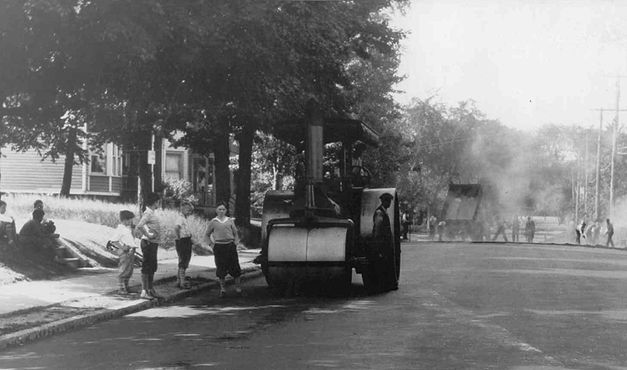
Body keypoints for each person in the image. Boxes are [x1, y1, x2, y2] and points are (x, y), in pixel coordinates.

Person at [207, 202, 242, 297]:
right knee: (221, 268)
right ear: (216, 211)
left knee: (235, 267)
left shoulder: (230, 221)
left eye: (223, 209)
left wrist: (235, 242)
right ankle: (223, 289)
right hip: (219, 247)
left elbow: (235, 233)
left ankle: (238, 287)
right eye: (219, 209)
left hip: (230, 246)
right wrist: (211, 245)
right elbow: (207, 235)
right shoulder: (213, 222)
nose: (221, 211)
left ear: (226, 211)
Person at [136, 193, 162, 300]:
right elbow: (140, 225)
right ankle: (144, 291)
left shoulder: (152, 213)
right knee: (147, 266)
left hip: (153, 243)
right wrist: (148, 235)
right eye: (158, 202)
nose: (159, 204)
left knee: (152, 266)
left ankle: (151, 289)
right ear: (154, 202)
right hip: (148, 243)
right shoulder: (148, 213)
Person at [372, 192, 397, 290]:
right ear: (384, 201)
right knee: (383, 264)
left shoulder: (383, 211)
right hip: (382, 243)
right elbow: (378, 228)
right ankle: (383, 285)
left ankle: (387, 284)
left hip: (384, 243)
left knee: (386, 264)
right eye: (388, 201)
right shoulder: (380, 212)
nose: (390, 203)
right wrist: (378, 245)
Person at [109, 210, 138, 295]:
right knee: (123, 270)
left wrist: (133, 229)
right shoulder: (120, 228)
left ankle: (126, 287)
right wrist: (122, 247)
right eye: (130, 220)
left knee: (129, 270)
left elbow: (132, 238)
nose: (131, 222)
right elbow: (114, 241)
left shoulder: (127, 228)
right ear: (125, 220)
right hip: (125, 252)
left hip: (131, 251)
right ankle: (121, 288)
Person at [174, 202, 194, 289]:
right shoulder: (180, 218)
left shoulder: (185, 218)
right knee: (183, 260)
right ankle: (182, 282)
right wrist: (179, 238)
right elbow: (176, 228)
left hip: (187, 240)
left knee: (185, 260)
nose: (189, 211)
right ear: (182, 209)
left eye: (190, 210)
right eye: (187, 209)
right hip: (182, 240)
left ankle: (179, 281)